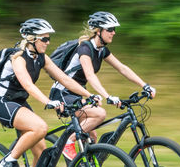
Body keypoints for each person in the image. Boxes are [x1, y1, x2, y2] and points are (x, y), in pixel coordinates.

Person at [0, 18, 96, 167]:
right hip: (3, 102)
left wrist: (88, 95)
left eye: (48, 39)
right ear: (31, 39)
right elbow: (28, 85)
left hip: (19, 103)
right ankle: (8, 161)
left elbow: (64, 78)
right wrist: (48, 102)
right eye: (44, 39)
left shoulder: (41, 58)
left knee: (40, 148)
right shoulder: (18, 58)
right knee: (40, 127)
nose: (48, 43)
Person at [49, 11, 156, 159]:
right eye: (110, 29)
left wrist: (145, 85)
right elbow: (90, 75)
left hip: (77, 93)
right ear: (98, 31)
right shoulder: (85, 48)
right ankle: (68, 142)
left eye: (114, 29)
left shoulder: (101, 50)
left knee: (92, 136)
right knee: (99, 114)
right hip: (63, 93)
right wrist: (108, 96)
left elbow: (122, 68)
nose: (113, 33)